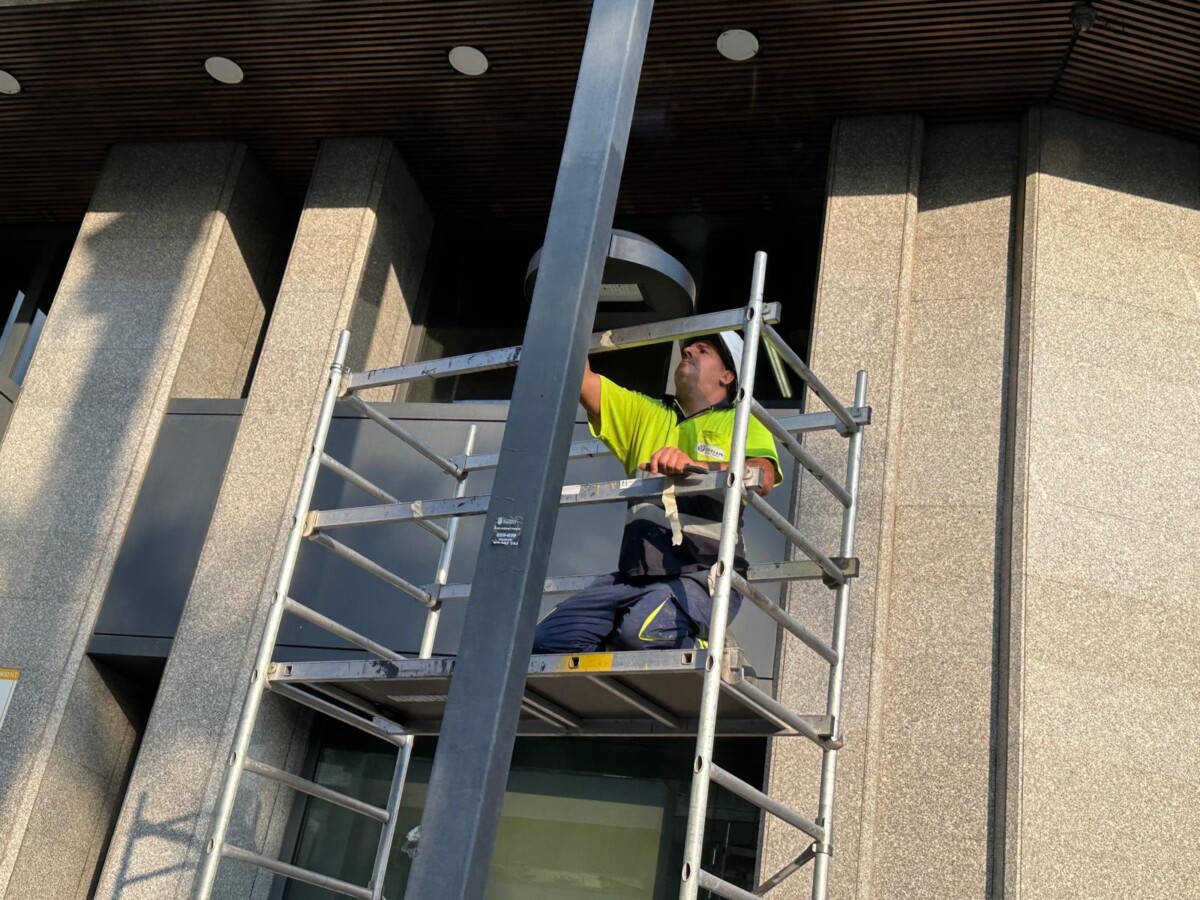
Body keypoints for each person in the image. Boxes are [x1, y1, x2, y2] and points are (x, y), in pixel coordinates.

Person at [531, 332, 782, 654]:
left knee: (642, 634)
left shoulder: (739, 420)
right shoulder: (645, 414)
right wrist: (571, 303)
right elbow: (581, 379)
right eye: (687, 348)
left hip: (703, 574)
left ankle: (708, 643)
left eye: (703, 350)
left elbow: (763, 475)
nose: (688, 350)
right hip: (632, 577)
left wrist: (696, 466)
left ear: (727, 376)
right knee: (547, 642)